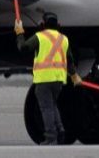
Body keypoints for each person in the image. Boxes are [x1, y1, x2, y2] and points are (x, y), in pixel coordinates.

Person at [15, 12, 82, 145]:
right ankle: (60, 130)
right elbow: (69, 61)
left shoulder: (39, 37)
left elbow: (23, 48)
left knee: (46, 108)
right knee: (52, 105)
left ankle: (51, 137)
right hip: (58, 80)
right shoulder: (64, 39)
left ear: (42, 25)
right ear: (58, 25)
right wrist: (74, 76)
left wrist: (19, 32)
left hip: (44, 79)